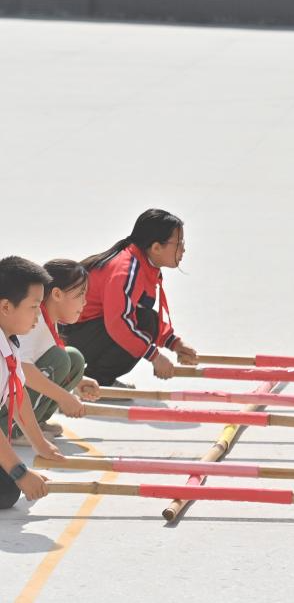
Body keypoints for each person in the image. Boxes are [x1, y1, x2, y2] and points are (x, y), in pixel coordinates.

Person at [64, 209, 198, 387]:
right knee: (142, 324)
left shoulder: (142, 264)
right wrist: (155, 357)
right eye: (179, 243)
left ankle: (95, 378)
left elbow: (140, 313)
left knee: (147, 319)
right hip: (64, 337)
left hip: (83, 331)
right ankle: (98, 381)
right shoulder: (127, 270)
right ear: (156, 248)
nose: (184, 249)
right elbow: (118, 322)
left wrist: (175, 343)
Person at [0, 260, 99, 443]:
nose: (85, 302)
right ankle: (13, 429)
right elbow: (23, 369)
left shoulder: (46, 320)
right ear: (57, 294)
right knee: (60, 359)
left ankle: (35, 422)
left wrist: (77, 381)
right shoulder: (33, 322)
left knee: (73, 360)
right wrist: (64, 397)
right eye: (80, 294)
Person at [1, 256, 62, 509]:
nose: (39, 315)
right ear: (6, 307)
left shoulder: (9, 341)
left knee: (7, 488)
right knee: (8, 489)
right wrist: (20, 472)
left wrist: (40, 444)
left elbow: (17, 393)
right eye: (34, 307)